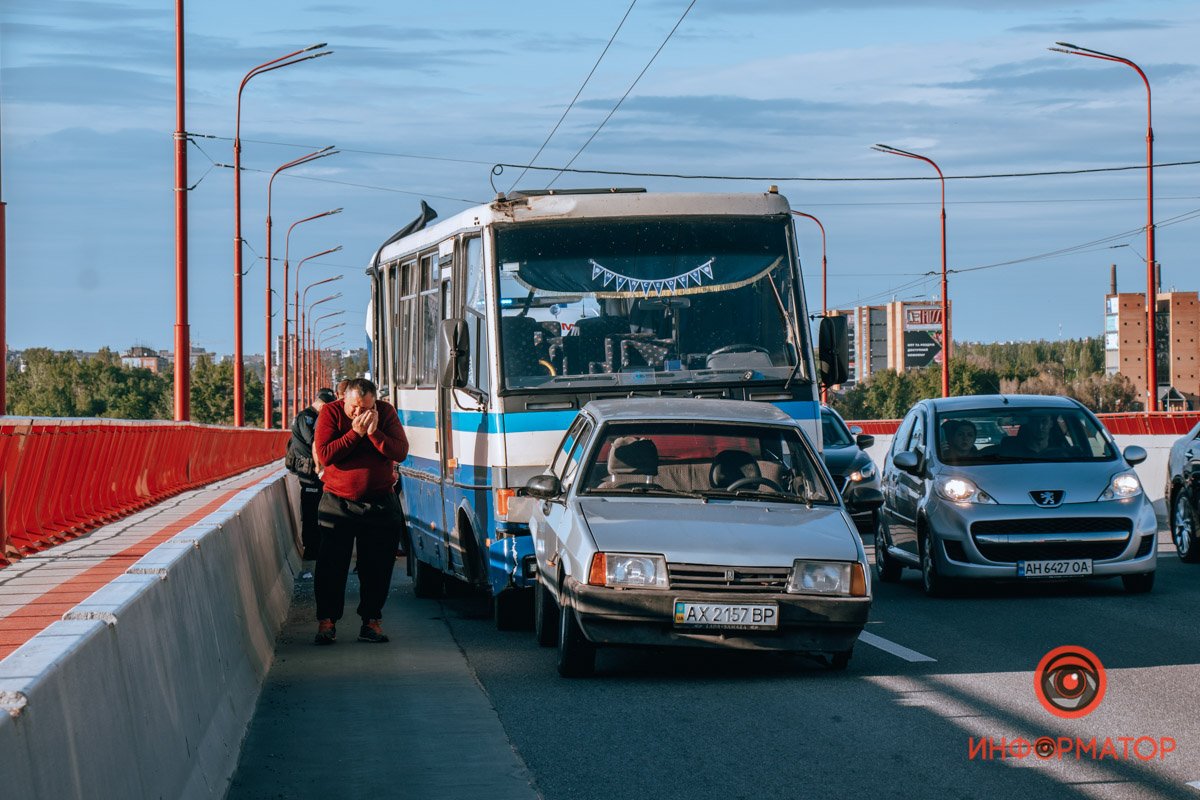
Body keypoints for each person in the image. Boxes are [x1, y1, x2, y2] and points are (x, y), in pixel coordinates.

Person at [312, 378, 409, 645]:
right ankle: (327, 621)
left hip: (380, 501)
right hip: (338, 501)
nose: (360, 413)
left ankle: (371, 621)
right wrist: (354, 434)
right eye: (354, 407)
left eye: (366, 408)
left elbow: (400, 452)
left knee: (377, 566)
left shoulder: (386, 413)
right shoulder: (331, 413)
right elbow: (325, 454)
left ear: (374, 403)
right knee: (332, 564)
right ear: (345, 401)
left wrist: (376, 433)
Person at [287, 387, 335, 576]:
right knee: (310, 511)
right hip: (309, 473)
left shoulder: (313, 417)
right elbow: (313, 440)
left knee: (318, 509)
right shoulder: (306, 417)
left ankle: (318, 546)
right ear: (321, 403)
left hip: (315, 471)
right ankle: (311, 549)